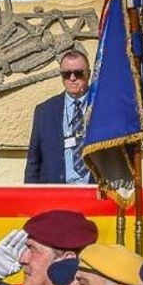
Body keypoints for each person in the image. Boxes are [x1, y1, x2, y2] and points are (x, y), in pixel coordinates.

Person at [25, 48, 93, 185]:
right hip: (56, 192)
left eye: (78, 73)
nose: (72, 78)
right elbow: (34, 161)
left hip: (95, 192)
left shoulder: (103, 106)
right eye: (66, 74)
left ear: (89, 74)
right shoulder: (44, 111)